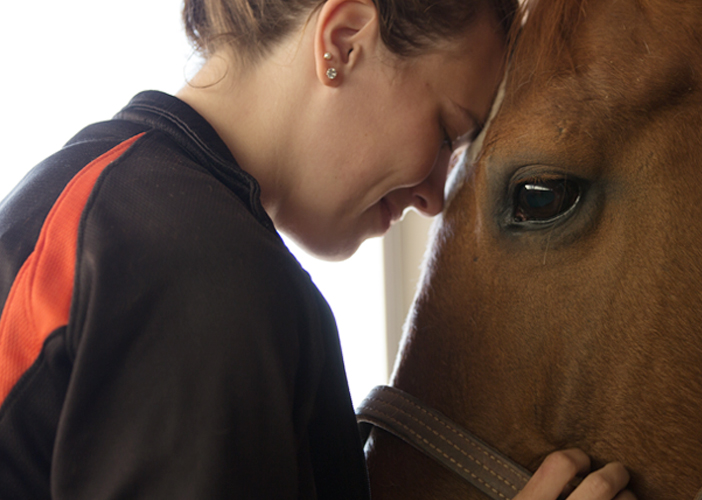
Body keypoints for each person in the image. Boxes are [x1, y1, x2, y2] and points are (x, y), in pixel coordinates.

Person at [0, 0, 636, 498]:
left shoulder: (94, 193)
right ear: (344, 42)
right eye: (446, 131)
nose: (434, 198)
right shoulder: (202, 272)